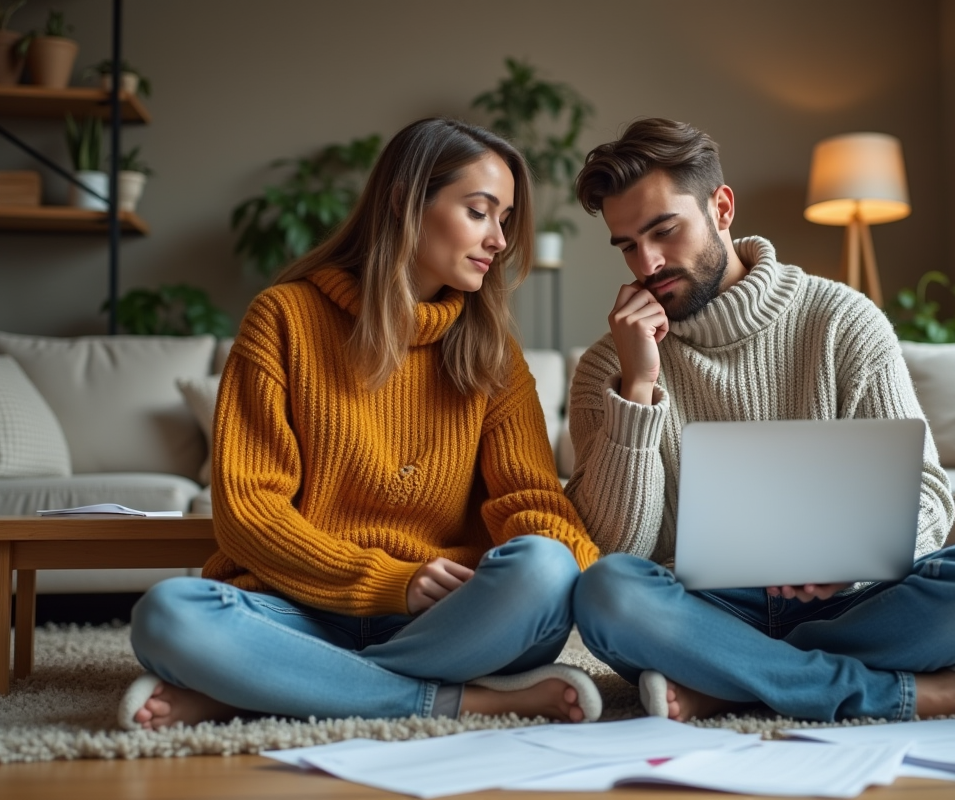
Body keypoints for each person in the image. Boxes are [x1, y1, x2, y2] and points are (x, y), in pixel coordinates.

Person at [567, 117, 955, 725]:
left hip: (850, 605)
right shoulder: (609, 365)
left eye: (663, 230)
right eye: (626, 244)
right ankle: (918, 695)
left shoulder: (843, 319)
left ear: (721, 208)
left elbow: (930, 496)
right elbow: (614, 549)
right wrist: (639, 387)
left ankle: (730, 681)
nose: (646, 262)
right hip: (704, 610)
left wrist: (853, 560)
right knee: (606, 594)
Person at [119, 117, 603, 732]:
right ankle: (449, 700)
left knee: (544, 568)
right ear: (405, 200)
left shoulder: (492, 352)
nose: (499, 240)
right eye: (480, 212)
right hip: (299, 606)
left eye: (504, 219)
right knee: (169, 615)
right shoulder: (283, 318)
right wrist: (388, 581)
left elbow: (529, 498)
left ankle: (267, 686)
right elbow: (248, 512)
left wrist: (585, 577)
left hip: (447, 619)